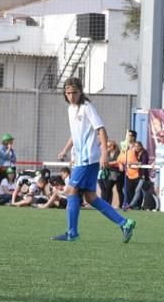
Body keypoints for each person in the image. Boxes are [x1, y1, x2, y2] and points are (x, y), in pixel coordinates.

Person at [52, 77, 135, 242]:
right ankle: (124, 223)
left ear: (80, 92)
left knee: (71, 191)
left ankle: (72, 233)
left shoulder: (87, 107)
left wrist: (104, 153)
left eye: (74, 92)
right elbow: (75, 133)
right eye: (68, 93)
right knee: (90, 197)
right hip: (83, 158)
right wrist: (65, 150)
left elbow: (101, 130)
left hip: (88, 158)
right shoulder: (71, 109)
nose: (71, 96)